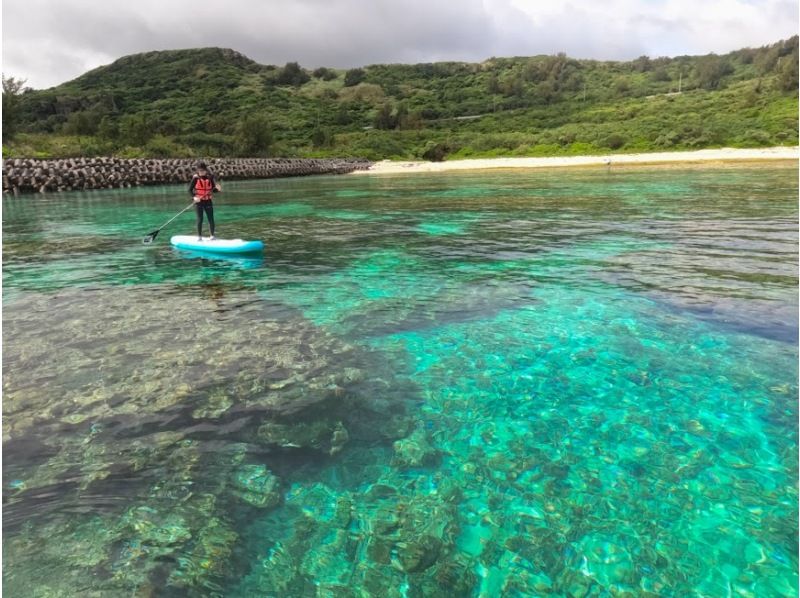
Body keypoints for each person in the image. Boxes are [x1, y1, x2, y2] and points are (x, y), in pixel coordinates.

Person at [189, 162, 222, 240]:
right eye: (200, 170)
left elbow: (213, 189)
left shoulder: (210, 178)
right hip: (199, 202)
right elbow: (189, 190)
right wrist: (194, 197)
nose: (201, 172)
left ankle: (212, 236)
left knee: (211, 219)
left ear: (206, 170)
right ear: (198, 171)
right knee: (200, 219)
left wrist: (218, 190)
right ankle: (199, 237)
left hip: (208, 201)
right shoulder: (195, 178)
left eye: (203, 170)